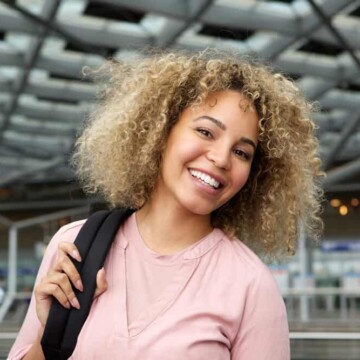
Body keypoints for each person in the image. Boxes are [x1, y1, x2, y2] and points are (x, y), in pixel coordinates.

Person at [8, 49, 323, 359]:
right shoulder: (74, 248)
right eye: (205, 131)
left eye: (242, 153)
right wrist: (46, 338)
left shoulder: (251, 286)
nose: (221, 158)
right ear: (160, 133)